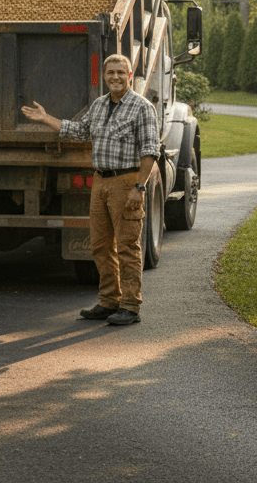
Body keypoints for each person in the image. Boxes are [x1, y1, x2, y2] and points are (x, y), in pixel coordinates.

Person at [21, 53, 159, 326]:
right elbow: (78, 131)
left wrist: (139, 187)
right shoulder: (99, 105)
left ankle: (130, 306)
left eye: (121, 72)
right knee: (99, 246)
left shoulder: (142, 107)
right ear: (104, 76)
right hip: (100, 182)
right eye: (111, 72)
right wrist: (46, 118)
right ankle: (109, 301)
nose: (115, 77)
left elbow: (150, 151)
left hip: (126, 182)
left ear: (129, 76)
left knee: (127, 247)